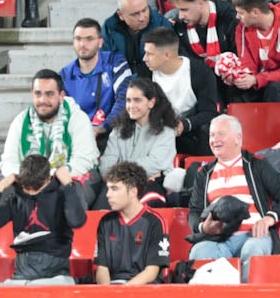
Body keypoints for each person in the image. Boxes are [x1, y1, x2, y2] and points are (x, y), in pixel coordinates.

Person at [184, 114, 280, 278]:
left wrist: (269, 218)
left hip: (253, 236)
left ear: (238, 138)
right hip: (217, 240)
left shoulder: (256, 165)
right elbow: (194, 211)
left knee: (253, 249)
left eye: (221, 134)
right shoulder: (204, 174)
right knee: (199, 251)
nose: (215, 139)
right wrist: (203, 227)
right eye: (212, 135)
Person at [0, 153, 87, 286]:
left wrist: (68, 185)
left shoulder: (61, 194)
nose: (32, 193)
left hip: (54, 276)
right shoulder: (16, 199)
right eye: (27, 188)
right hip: (21, 276)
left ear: (48, 179)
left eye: (36, 188)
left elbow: (77, 221)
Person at [0, 69, 99, 182]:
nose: (43, 100)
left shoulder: (78, 118)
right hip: (26, 180)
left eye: (49, 94)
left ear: (61, 96)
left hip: (66, 177)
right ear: (32, 95)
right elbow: (8, 160)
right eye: (38, 94)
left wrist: (49, 179)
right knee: (1, 186)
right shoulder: (20, 120)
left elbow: (83, 160)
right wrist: (22, 177)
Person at [95, 79, 177, 205]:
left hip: (150, 185)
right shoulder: (118, 130)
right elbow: (106, 167)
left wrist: (119, 168)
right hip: (117, 185)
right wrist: (135, 173)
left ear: (151, 102)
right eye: (128, 100)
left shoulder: (166, 132)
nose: (131, 105)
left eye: (137, 100)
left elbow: (155, 163)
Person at [141, 26, 219, 156]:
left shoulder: (199, 71)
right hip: (156, 132)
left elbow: (209, 112)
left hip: (191, 132)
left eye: (150, 54)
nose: (144, 58)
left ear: (167, 55)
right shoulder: (145, 74)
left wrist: (185, 124)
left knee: (207, 131)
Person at [92, 162, 168, 286]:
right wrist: (108, 293)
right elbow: (102, 268)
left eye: (114, 189)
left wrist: (123, 292)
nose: (107, 195)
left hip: (145, 289)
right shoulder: (105, 222)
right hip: (113, 287)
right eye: (108, 188)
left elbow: (151, 272)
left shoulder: (155, 222)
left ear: (133, 191)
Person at [59, 19, 130, 131]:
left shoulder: (115, 62)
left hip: (114, 132)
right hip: (79, 136)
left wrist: (103, 128)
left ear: (100, 42)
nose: (82, 44)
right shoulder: (64, 76)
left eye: (89, 39)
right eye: (78, 39)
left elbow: (125, 98)